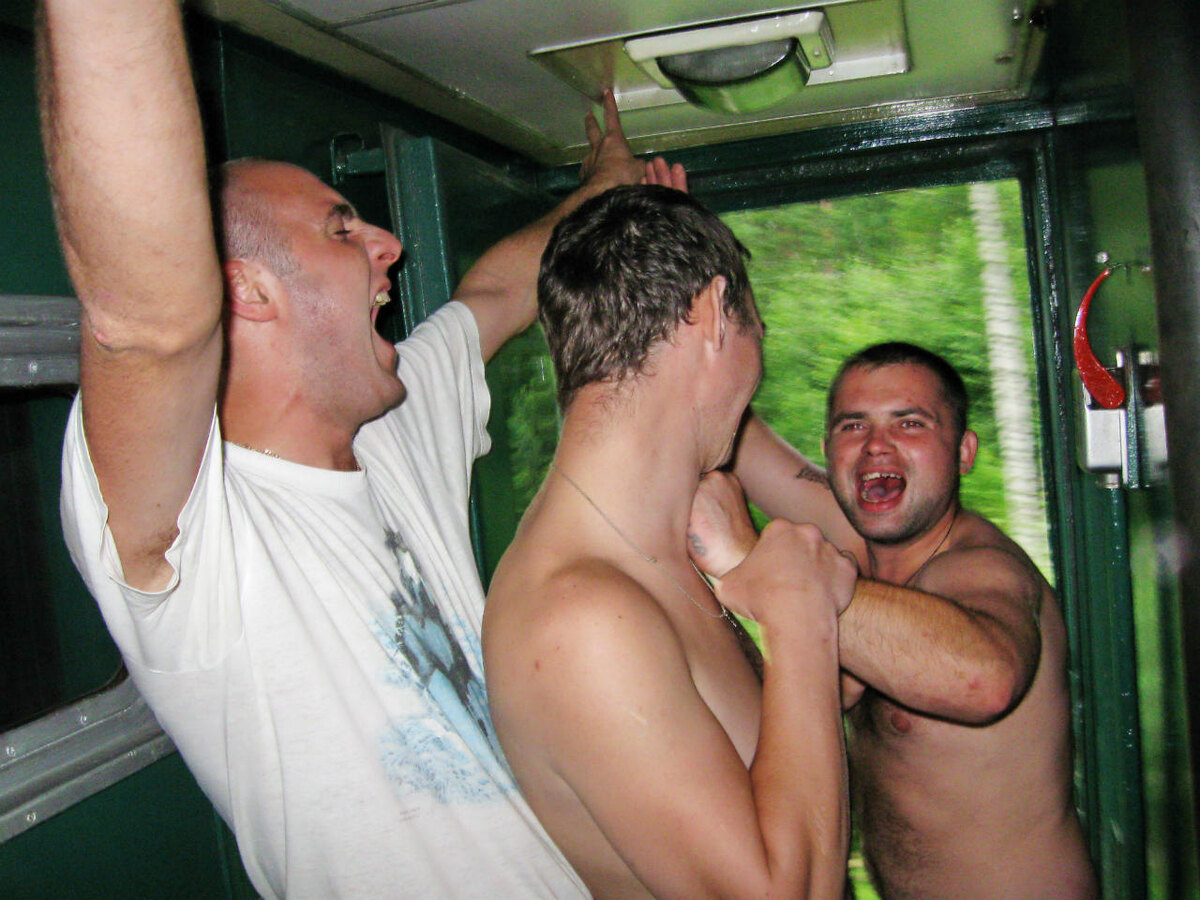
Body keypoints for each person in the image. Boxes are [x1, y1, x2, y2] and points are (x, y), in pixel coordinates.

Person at [38, 0, 683, 896]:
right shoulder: (202, 535)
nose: (390, 245)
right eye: (342, 229)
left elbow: (498, 294)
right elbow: (148, 325)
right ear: (246, 291)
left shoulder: (394, 429)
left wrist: (606, 189)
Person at [483, 184, 858, 900]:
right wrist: (800, 615)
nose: (759, 362)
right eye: (758, 329)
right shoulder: (581, 620)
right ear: (714, 314)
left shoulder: (654, 557)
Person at [689, 342, 1098, 900]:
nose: (876, 445)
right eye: (853, 426)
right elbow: (735, 429)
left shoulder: (981, 567)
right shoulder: (858, 550)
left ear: (963, 452)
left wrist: (752, 560)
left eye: (910, 423)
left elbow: (985, 679)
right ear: (829, 450)